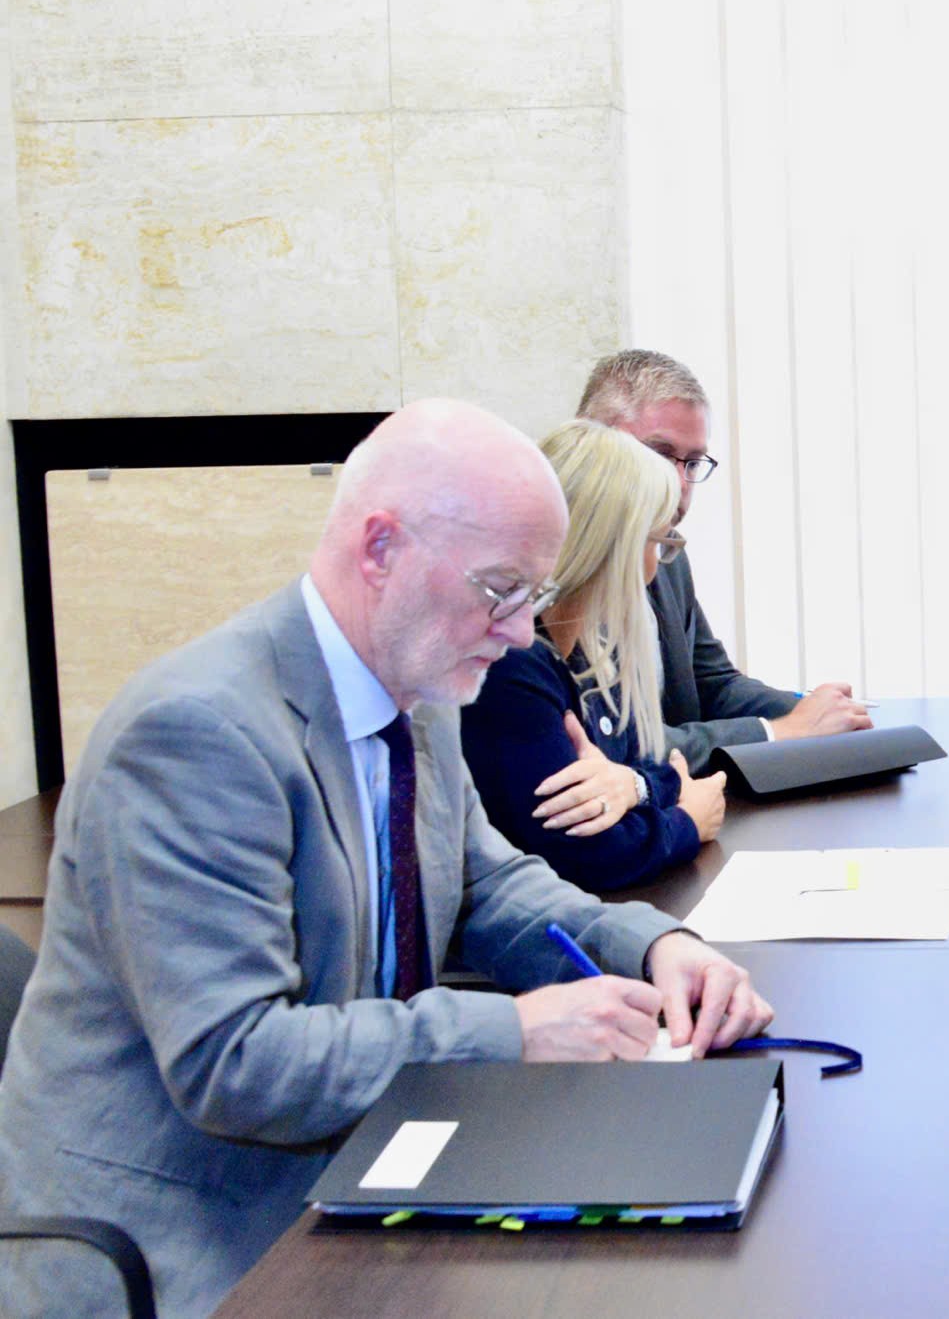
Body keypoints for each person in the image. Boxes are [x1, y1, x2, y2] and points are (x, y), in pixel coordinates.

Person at [0, 401, 775, 1319]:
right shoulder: (195, 732)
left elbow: (488, 885)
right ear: (379, 548)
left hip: (358, 1163)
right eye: (501, 589)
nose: (520, 632)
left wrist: (651, 946)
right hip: (185, 1235)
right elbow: (235, 1062)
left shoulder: (419, 686)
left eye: (531, 593)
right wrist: (515, 1031)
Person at [460, 420, 728, 892]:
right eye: (657, 542)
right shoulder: (512, 666)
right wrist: (686, 821)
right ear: (614, 548)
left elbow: (655, 763)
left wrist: (636, 786)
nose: (656, 566)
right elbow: (586, 853)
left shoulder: (594, 652)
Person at [578, 349, 871, 773]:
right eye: (659, 454)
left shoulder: (667, 553)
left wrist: (815, 712)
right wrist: (779, 732)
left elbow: (713, 685)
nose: (679, 483)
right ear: (593, 444)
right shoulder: (551, 569)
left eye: (693, 462)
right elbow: (613, 744)